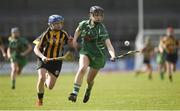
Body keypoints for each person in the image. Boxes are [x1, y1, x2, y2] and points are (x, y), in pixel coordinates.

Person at [68, 6, 116, 103]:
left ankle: (89, 89)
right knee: (82, 69)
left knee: (89, 81)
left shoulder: (101, 29)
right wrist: (74, 40)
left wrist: (113, 55)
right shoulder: (84, 24)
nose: (98, 17)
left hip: (98, 56)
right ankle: (74, 93)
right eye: (96, 15)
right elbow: (78, 30)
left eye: (100, 16)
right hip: (85, 51)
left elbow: (109, 44)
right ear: (91, 15)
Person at [33, 15, 72, 106]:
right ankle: (40, 100)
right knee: (41, 77)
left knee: (50, 86)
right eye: (56, 23)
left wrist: (73, 43)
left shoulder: (64, 34)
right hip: (44, 58)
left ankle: (47, 75)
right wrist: (42, 57)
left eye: (60, 23)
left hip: (57, 61)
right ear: (50, 25)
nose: (59, 25)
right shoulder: (45, 34)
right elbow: (36, 49)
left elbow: (70, 42)